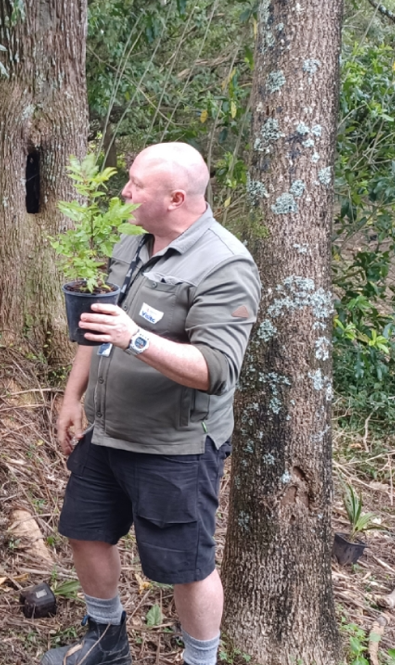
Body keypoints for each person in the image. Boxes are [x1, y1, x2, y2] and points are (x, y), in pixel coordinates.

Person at [43, 142, 260, 665]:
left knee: (186, 565)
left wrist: (135, 337)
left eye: (137, 185)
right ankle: (105, 638)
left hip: (175, 446)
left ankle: (200, 660)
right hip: (108, 431)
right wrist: (73, 396)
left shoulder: (224, 265)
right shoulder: (130, 244)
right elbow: (96, 329)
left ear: (177, 197)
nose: (124, 191)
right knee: (84, 531)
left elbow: (216, 370)